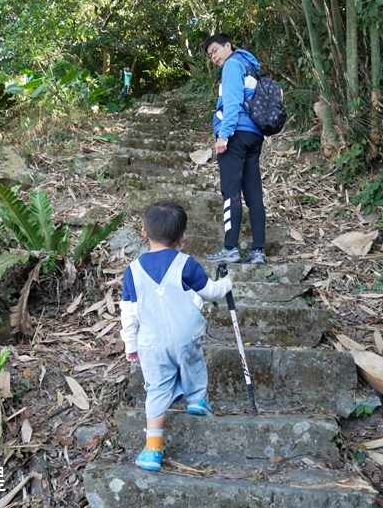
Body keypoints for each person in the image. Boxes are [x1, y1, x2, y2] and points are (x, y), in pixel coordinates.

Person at [119, 201, 233, 472]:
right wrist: (228, 283)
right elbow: (210, 292)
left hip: (151, 341)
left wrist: (130, 345)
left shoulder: (132, 271)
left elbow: (129, 313)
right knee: (192, 362)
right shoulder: (186, 264)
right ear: (182, 237)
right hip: (186, 332)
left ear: (144, 232)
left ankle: (152, 450)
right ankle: (196, 400)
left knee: (157, 389)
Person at [203, 33, 266, 266]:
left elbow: (232, 101)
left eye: (215, 50)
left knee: (231, 192)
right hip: (254, 135)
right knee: (254, 195)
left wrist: (224, 135)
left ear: (227, 46)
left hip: (235, 134)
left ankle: (230, 248)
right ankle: (258, 251)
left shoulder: (232, 65)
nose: (214, 57)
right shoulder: (249, 65)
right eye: (210, 55)